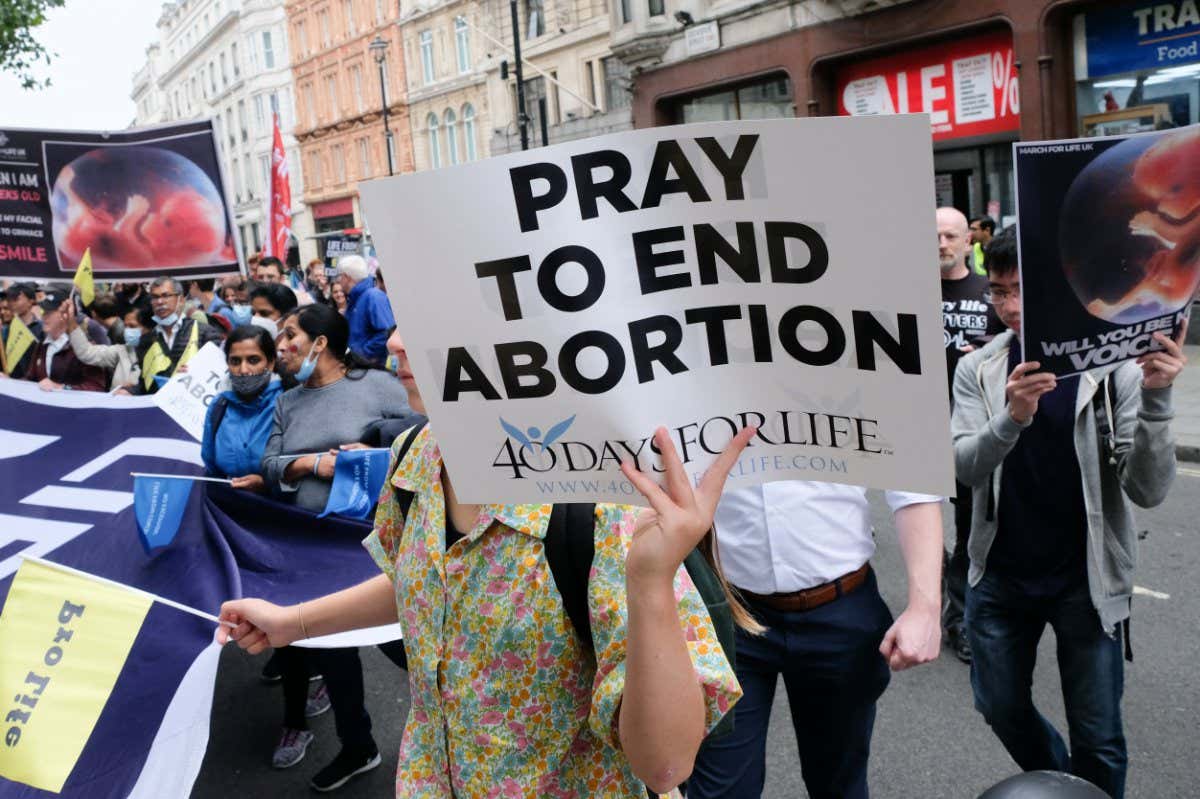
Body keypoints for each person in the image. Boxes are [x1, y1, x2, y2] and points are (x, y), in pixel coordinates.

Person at [220, 326, 748, 796]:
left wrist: (651, 582)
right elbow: (426, 583)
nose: (395, 342)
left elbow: (664, 766)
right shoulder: (416, 452)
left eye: (427, 317)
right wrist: (294, 623)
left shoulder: (603, 495)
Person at [952, 228, 1187, 799]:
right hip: (1000, 577)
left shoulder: (1114, 369)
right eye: (998, 292)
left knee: (1099, 738)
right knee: (999, 706)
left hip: (1086, 581)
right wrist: (1012, 417)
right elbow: (964, 467)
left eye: (1020, 291)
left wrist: (1157, 396)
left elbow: (1147, 490)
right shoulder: (980, 368)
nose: (1009, 306)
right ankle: (1065, 788)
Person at [689, 480, 943, 799]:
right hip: (726, 610)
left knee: (839, 784)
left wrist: (926, 608)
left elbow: (913, 484)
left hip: (840, 607)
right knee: (720, 789)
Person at [259, 303, 413, 790]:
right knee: (332, 652)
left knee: (409, 645)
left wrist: (376, 450)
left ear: (320, 343)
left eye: (290, 335)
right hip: (313, 549)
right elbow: (269, 464)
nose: (281, 346)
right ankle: (358, 747)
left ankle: (468, 722)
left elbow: (422, 433)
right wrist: (310, 465)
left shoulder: (378, 386)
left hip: (372, 546)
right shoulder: (288, 401)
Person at [938, 206, 1003, 663]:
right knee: (918, 520)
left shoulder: (989, 293)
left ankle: (959, 618)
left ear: (968, 241)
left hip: (969, 427)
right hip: (917, 427)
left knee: (967, 526)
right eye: (934, 236)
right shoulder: (905, 291)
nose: (942, 244)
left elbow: (1012, 345)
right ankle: (935, 595)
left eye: (950, 236)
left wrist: (986, 349)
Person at [131, 277, 223, 394]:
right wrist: (129, 391)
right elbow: (144, 384)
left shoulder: (205, 333)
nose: (160, 302)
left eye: (166, 296)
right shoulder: (146, 341)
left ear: (181, 300)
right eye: (155, 297)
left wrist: (198, 373)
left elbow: (219, 374)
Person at [18, 291, 107, 392]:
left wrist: (62, 388)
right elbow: (30, 379)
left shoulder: (84, 347)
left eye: (49, 312)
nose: (43, 317)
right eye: (43, 312)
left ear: (65, 315)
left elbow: (96, 387)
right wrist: (10, 383)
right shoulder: (41, 346)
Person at [65, 303, 152, 392]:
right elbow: (87, 353)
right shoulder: (123, 350)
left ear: (148, 328)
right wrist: (71, 321)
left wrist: (133, 391)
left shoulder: (156, 353)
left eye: (132, 326)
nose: (127, 331)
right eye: (125, 326)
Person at [335, 255, 393, 365]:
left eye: (340, 276)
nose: (338, 280)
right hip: (360, 367)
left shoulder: (373, 297)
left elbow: (386, 333)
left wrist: (361, 356)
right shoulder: (355, 299)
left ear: (347, 277)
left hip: (370, 368)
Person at [3, 283, 43, 379]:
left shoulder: (42, 329)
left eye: (16, 298)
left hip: (33, 383)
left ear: (31, 301)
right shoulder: (7, 329)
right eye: (9, 299)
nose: (11, 302)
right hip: (9, 381)